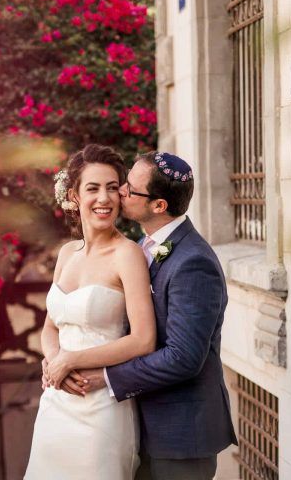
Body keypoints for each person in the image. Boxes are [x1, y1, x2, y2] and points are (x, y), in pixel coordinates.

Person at [60, 151, 238, 480]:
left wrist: (106, 378)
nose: (120, 192)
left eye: (129, 188)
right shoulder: (144, 244)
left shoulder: (193, 262)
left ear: (158, 205)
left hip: (181, 435)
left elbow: (183, 358)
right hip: (139, 424)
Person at [24, 144, 157, 480]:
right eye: (93, 188)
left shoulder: (128, 255)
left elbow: (143, 340)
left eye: (112, 188)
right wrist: (55, 362)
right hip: (57, 402)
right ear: (74, 195)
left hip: (101, 407)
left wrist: (71, 361)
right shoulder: (67, 254)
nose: (104, 198)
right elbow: (50, 328)